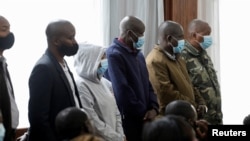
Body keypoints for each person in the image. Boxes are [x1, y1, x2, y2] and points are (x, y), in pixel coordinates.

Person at [104, 15, 159, 141]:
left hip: (145, 118)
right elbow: (122, 91)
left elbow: (147, 83)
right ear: (129, 33)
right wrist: (143, 114)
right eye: (140, 34)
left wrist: (154, 108)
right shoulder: (113, 54)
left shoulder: (138, 54)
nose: (142, 37)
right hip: (130, 120)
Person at [28, 19, 82, 141]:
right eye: (71, 38)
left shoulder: (62, 63)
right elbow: (38, 118)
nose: (75, 42)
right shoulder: (43, 68)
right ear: (56, 41)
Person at [146, 20, 206, 116]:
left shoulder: (177, 58)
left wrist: (200, 102)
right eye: (180, 38)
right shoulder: (155, 60)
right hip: (171, 118)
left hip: (187, 115)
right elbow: (167, 94)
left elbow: (189, 84)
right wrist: (194, 105)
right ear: (169, 38)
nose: (183, 41)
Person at [74, 43, 125, 141]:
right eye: (102, 58)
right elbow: (92, 120)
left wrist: (120, 135)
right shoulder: (81, 85)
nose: (105, 61)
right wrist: (116, 138)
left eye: (105, 58)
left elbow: (116, 112)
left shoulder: (104, 82)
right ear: (90, 61)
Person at [181, 19, 223, 125]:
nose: (209, 38)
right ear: (194, 35)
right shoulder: (182, 56)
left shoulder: (203, 54)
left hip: (216, 117)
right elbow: (184, 87)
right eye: (206, 34)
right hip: (200, 120)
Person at [0, 15, 19, 141]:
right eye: (4, 29)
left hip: (9, 131)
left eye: (9, 29)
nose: (9, 34)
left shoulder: (3, 62)